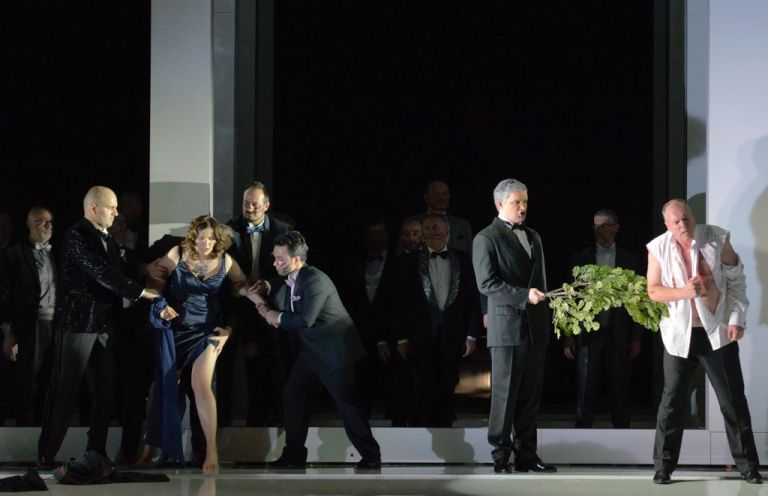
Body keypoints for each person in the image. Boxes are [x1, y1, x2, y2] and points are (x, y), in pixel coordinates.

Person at [37, 186, 159, 469]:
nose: (116, 213)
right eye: (111, 207)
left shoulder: (105, 237)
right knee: (65, 389)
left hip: (104, 324)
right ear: (93, 208)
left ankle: (96, 451)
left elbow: (120, 262)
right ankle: (46, 455)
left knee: (106, 389)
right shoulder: (77, 236)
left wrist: (143, 268)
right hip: (79, 324)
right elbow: (101, 272)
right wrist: (140, 292)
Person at [647, 199, 761, 484]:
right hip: (679, 336)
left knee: (732, 400)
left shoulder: (717, 238)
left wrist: (737, 318)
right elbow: (654, 291)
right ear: (667, 225)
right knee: (672, 403)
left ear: (693, 217)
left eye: (686, 218)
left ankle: (748, 467)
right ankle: (663, 467)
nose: (682, 225)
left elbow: (736, 281)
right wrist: (684, 293)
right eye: (676, 221)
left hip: (717, 332)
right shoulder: (657, 247)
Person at [251, 231, 381, 470]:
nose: (275, 263)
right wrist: (266, 287)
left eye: (280, 259)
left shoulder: (315, 280)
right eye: (275, 258)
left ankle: (371, 455)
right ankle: (294, 454)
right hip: (311, 350)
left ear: (297, 259)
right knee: (293, 395)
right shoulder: (292, 275)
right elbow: (279, 285)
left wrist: (274, 315)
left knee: (346, 403)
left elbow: (306, 319)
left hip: (334, 350)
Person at [139, 215, 250, 474]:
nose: (206, 243)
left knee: (201, 385)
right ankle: (150, 449)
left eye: (211, 238)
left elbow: (241, 286)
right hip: (175, 330)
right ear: (193, 237)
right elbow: (154, 285)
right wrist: (160, 305)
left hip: (207, 331)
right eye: (202, 238)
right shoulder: (177, 253)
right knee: (165, 388)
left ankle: (212, 450)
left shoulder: (225, 260)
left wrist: (254, 300)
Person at [472, 178, 555, 474]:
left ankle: (526, 456)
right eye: (517, 202)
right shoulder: (486, 238)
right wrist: (523, 296)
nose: (523, 207)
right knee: (505, 394)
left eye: (525, 202)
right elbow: (486, 283)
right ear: (500, 204)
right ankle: (501, 455)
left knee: (530, 395)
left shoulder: (533, 236)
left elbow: (540, 279)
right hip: (507, 327)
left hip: (535, 326)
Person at [394, 214, 480, 426]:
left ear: (447, 232)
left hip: (453, 334)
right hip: (420, 335)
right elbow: (400, 303)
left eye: (436, 228)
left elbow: (472, 300)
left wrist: (471, 335)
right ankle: (421, 434)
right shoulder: (410, 262)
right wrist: (402, 338)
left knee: (449, 383)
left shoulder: (463, 260)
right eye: (427, 228)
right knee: (420, 386)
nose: (432, 232)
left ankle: (445, 431)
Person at [563, 209, 643, 428]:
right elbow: (570, 299)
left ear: (616, 228)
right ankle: (582, 436)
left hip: (619, 334)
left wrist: (636, 337)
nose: (600, 230)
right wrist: (568, 335)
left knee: (620, 389)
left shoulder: (630, 259)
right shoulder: (580, 258)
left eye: (605, 225)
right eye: (596, 226)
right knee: (585, 389)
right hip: (588, 335)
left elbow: (638, 301)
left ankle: (623, 437)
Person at [225, 181, 289, 426]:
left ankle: (278, 425)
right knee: (235, 370)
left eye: (254, 204)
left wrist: (268, 285)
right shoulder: (231, 228)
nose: (249, 208)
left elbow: (289, 269)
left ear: (266, 206)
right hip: (239, 308)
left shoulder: (281, 230)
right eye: (245, 204)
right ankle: (235, 430)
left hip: (270, 307)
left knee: (274, 367)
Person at [0, 207, 57, 425]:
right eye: (41, 221)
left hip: (56, 324)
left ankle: (45, 432)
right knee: (27, 381)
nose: (47, 226)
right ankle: (24, 432)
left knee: (50, 380)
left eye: (50, 221)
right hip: (29, 326)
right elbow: (4, 294)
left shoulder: (58, 254)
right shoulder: (14, 253)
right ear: (29, 225)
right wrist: (9, 333)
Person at [403, 180, 473, 254]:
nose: (441, 198)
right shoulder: (409, 223)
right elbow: (400, 257)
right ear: (426, 197)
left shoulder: (463, 225)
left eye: (444, 193)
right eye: (435, 194)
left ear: (449, 196)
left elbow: (471, 256)